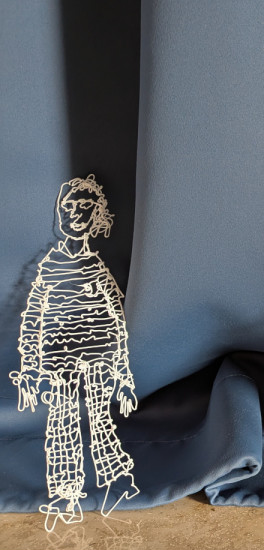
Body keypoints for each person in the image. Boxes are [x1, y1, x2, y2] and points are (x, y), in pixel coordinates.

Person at [11, 175, 139, 532]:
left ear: (95, 214)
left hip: (98, 359)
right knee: (62, 422)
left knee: (100, 419)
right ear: (59, 212)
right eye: (69, 206)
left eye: (85, 207)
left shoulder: (98, 270)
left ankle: (118, 480)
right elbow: (33, 320)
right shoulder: (49, 269)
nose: (76, 214)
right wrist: (30, 369)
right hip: (60, 362)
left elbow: (117, 323)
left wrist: (123, 378)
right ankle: (65, 493)